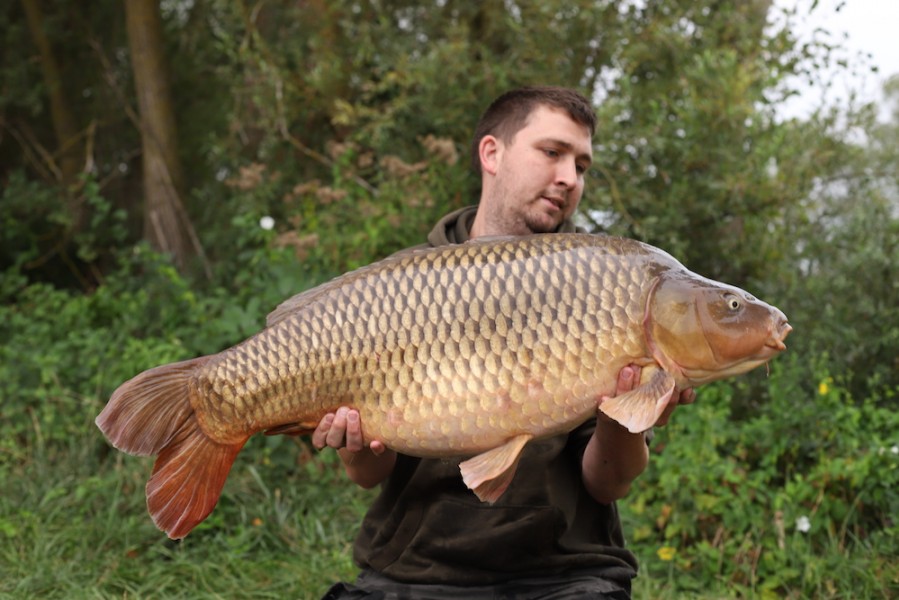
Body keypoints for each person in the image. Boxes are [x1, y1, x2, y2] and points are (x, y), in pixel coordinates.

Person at [315, 86, 694, 599]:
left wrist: (624, 414)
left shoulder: (607, 286)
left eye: (581, 166)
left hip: (565, 574)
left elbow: (608, 484)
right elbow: (369, 473)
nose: (569, 178)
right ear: (492, 153)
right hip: (415, 570)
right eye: (553, 152)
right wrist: (353, 441)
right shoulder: (399, 287)